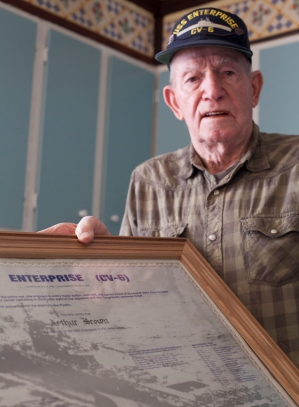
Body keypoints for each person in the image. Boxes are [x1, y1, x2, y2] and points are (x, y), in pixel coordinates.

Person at [41, 8, 299, 368]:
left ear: (253, 88)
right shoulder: (148, 180)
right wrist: (101, 266)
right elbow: (129, 299)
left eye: (227, 72)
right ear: (175, 102)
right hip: (185, 395)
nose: (212, 90)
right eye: (193, 78)